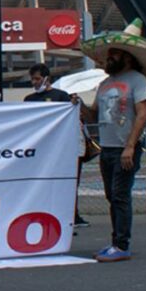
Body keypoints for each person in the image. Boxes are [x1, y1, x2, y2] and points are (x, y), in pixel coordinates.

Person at [81, 19, 146, 262]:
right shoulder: (104, 84)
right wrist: (78, 105)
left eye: (113, 54)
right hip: (107, 148)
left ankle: (121, 244)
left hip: (125, 149)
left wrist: (130, 146)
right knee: (112, 196)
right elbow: (94, 115)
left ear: (126, 57)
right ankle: (117, 241)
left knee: (119, 195)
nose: (108, 59)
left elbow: (143, 115)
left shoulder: (138, 80)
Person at [24, 63, 88, 227]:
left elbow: (73, 117)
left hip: (62, 148)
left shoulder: (61, 96)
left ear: (47, 79)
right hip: (40, 149)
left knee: (68, 182)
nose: (34, 82)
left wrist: (74, 105)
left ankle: (73, 215)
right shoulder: (29, 99)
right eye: (32, 79)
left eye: (37, 78)